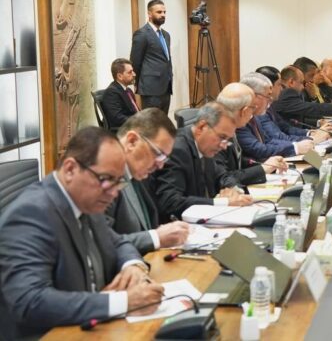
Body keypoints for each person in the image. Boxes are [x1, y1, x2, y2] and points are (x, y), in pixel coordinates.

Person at [0, 127, 164, 337]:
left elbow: (117, 242)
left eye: (118, 181)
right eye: (106, 179)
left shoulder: (86, 201)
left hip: (91, 327)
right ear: (70, 169)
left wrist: (133, 266)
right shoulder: (30, 214)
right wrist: (124, 301)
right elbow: (30, 301)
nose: (114, 193)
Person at [106, 108, 190, 254]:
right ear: (132, 141)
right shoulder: (104, 176)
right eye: (158, 154)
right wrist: (156, 237)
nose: (160, 165)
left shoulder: (138, 173)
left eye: (164, 158)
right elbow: (102, 244)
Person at [152, 102, 253, 222]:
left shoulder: (205, 147)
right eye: (222, 137)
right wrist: (222, 202)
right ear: (201, 127)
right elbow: (170, 201)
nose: (224, 146)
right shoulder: (177, 149)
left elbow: (221, 176)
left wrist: (234, 190)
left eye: (227, 140)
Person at [215, 82, 285, 186]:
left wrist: (268, 166)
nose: (254, 112)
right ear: (244, 111)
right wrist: (262, 169)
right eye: (253, 108)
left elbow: (237, 163)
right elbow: (224, 179)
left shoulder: (227, 127)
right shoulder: (216, 136)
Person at [237, 73, 319, 160]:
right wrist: (296, 148)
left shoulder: (254, 117)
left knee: (318, 162)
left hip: (271, 163)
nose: (271, 99)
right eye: (268, 95)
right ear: (253, 96)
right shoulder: (239, 121)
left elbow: (268, 141)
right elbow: (258, 149)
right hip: (260, 166)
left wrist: (301, 144)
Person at [257, 65, 330, 141]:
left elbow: (287, 128)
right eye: (279, 84)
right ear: (269, 87)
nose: (281, 88)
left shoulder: (269, 107)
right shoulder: (260, 111)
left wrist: (310, 133)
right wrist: (312, 138)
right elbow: (278, 137)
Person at [130, 0, 173, 113]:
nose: (163, 15)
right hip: (150, 89)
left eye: (164, 12)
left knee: (163, 121)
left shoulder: (166, 35)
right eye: (159, 12)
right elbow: (135, 61)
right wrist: (137, 83)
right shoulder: (142, 34)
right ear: (149, 14)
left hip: (166, 88)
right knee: (151, 122)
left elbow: (166, 60)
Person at [101, 58, 140, 131]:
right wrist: (138, 122)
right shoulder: (111, 93)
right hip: (123, 130)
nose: (134, 74)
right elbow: (117, 118)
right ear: (119, 76)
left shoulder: (128, 90)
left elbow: (135, 111)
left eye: (133, 71)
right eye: (130, 72)